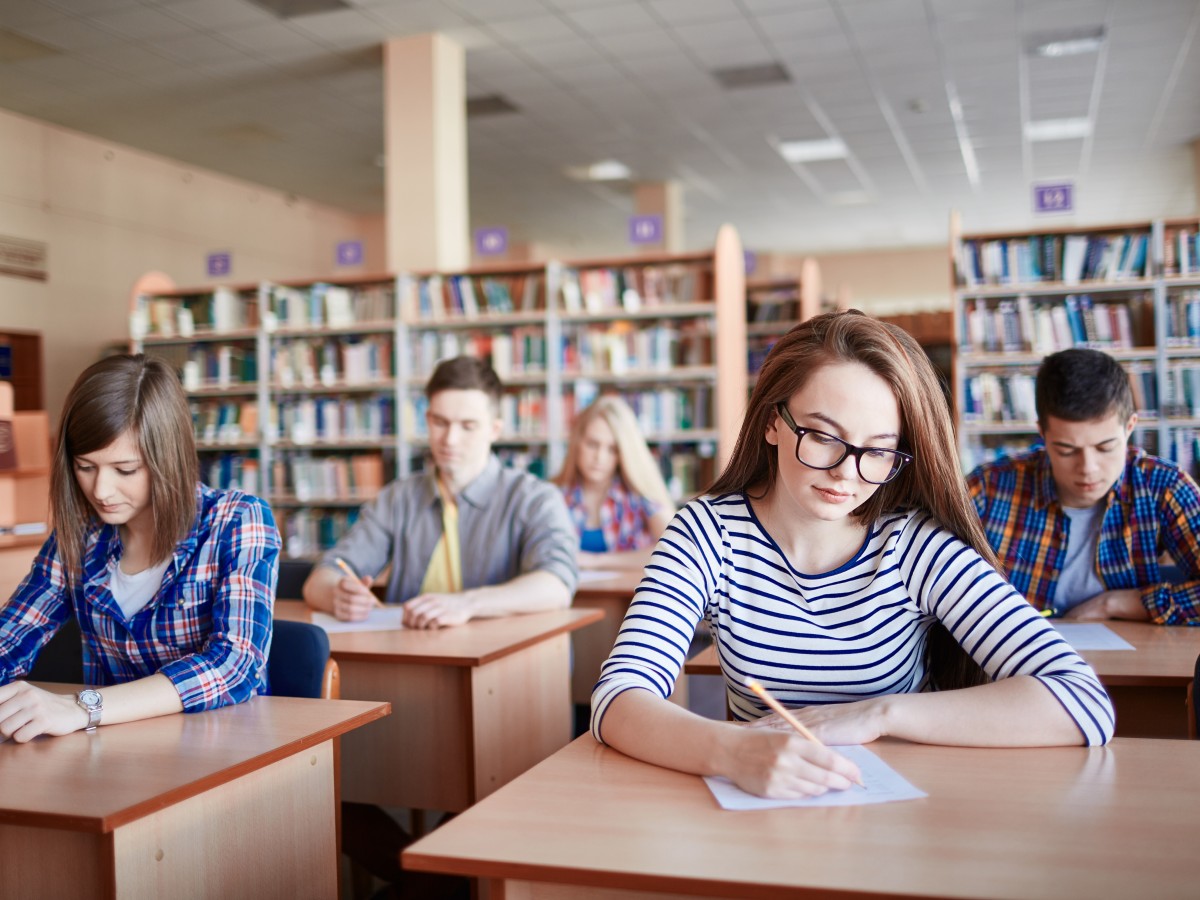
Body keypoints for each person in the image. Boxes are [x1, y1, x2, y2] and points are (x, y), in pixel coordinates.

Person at [591, 311, 1114, 800]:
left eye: (879, 449)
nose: (846, 471)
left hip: (890, 814)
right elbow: (618, 697)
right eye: (823, 436)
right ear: (773, 422)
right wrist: (731, 751)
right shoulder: (707, 533)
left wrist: (878, 714)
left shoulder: (916, 547)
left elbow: (1081, 702)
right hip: (756, 808)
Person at [0, 354, 280, 743]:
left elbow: (235, 665)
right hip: (110, 760)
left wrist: (83, 708)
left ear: (169, 458)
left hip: (223, 755)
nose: (101, 491)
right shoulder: (80, 533)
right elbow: (12, 636)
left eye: (125, 470)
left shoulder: (237, 519)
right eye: (85, 466)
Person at [302, 355, 578, 626]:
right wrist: (337, 595)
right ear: (427, 419)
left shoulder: (536, 499)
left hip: (501, 661)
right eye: (440, 423)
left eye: (468, 426)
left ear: (495, 429)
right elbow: (321, 578)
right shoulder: (398, 498)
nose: (451, 440)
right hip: (412, 655)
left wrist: (467, 603)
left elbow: (556, 584)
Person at [968, 347, 1200, 624]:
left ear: (1130, 427)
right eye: (1067, 450)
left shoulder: (1163, 487)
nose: (1088, 468)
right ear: (1042, 433)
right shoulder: (989, 487)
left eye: (1105, 447)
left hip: (1128, 662)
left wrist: (1118, 603)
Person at [552, 395, 675, 569]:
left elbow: (674, 549)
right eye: (592, 444)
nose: (599, 458)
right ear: (577, 443)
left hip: (629, 596)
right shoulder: (554, 496)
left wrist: (596, 561)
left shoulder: (640, 495)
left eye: (612, 449)